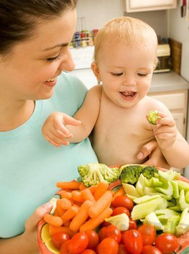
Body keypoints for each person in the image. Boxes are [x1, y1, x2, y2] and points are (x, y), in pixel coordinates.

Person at [0, 2, 161, 254]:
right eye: (52, 55)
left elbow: (116, 146)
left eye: (69, 45)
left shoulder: (69, 90)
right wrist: (27, 244)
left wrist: (154, 150)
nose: (72, 65)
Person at [42, 16, 189, 169]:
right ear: (97, 71)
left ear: (153, 70)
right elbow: (80, 129)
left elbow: (183, 161)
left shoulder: (155, 110)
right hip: (106, 188)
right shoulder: (97, 97)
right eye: (118, 73)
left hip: (142, 189)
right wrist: (60, 127)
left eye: (142, 74)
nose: (130, 82)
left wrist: (170, 143)